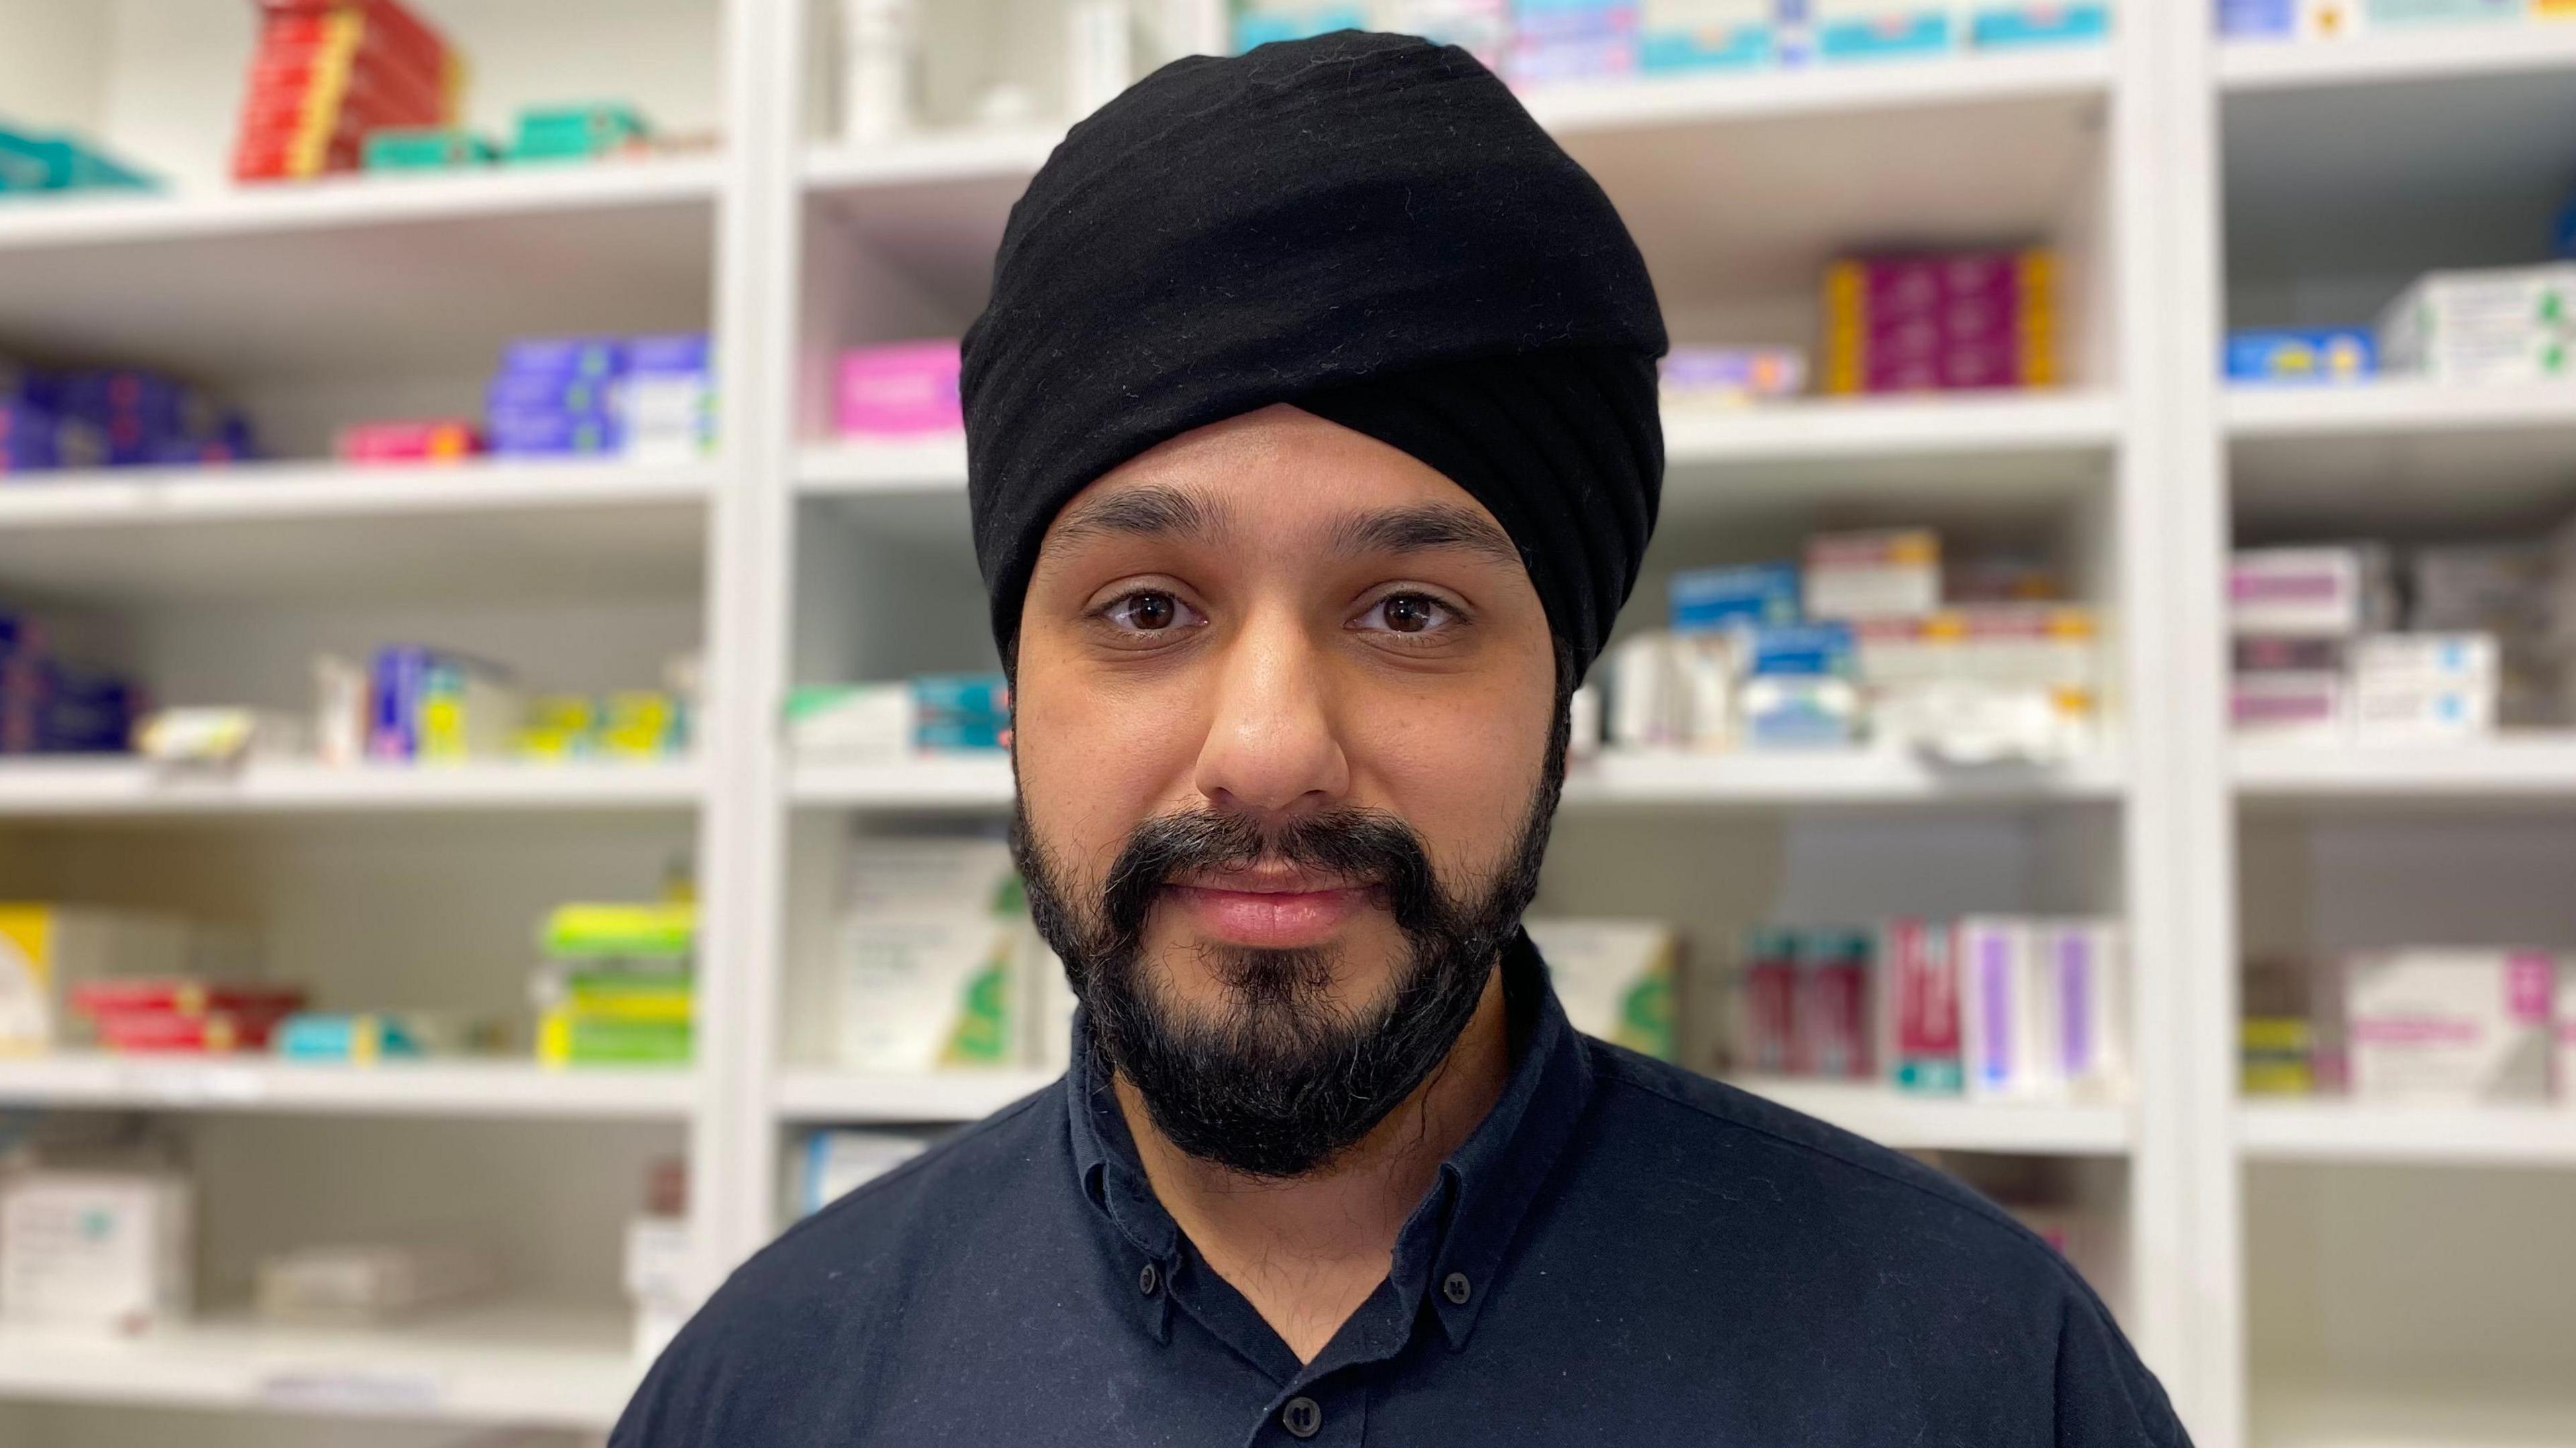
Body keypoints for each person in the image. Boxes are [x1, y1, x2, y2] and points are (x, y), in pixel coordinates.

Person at [613, 29, 2186, 1447]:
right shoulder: (772, 1381)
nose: (1273, 748)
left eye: (1412, 614)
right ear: (1014, 701)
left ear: (1560, 708)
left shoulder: (1977, 1368)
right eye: (1150, 608)